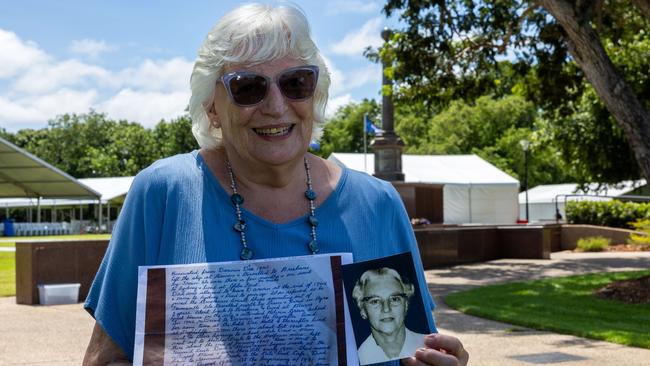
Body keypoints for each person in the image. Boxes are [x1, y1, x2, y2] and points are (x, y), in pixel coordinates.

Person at [82, 3, 468, 366]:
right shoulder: (162, 194)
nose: (276, 106)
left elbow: (401, 352)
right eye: (248, 87)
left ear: (315, 94)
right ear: (212, 108)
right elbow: (105, 357)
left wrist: (436, 360)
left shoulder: (377, 204)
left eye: (295, 83)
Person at [352, 268, 428, 365]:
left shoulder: (426, 345)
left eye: (395, 299)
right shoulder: (357, 357)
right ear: (363, 310)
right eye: (375, 301)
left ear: (406, 305)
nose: (386, 309)